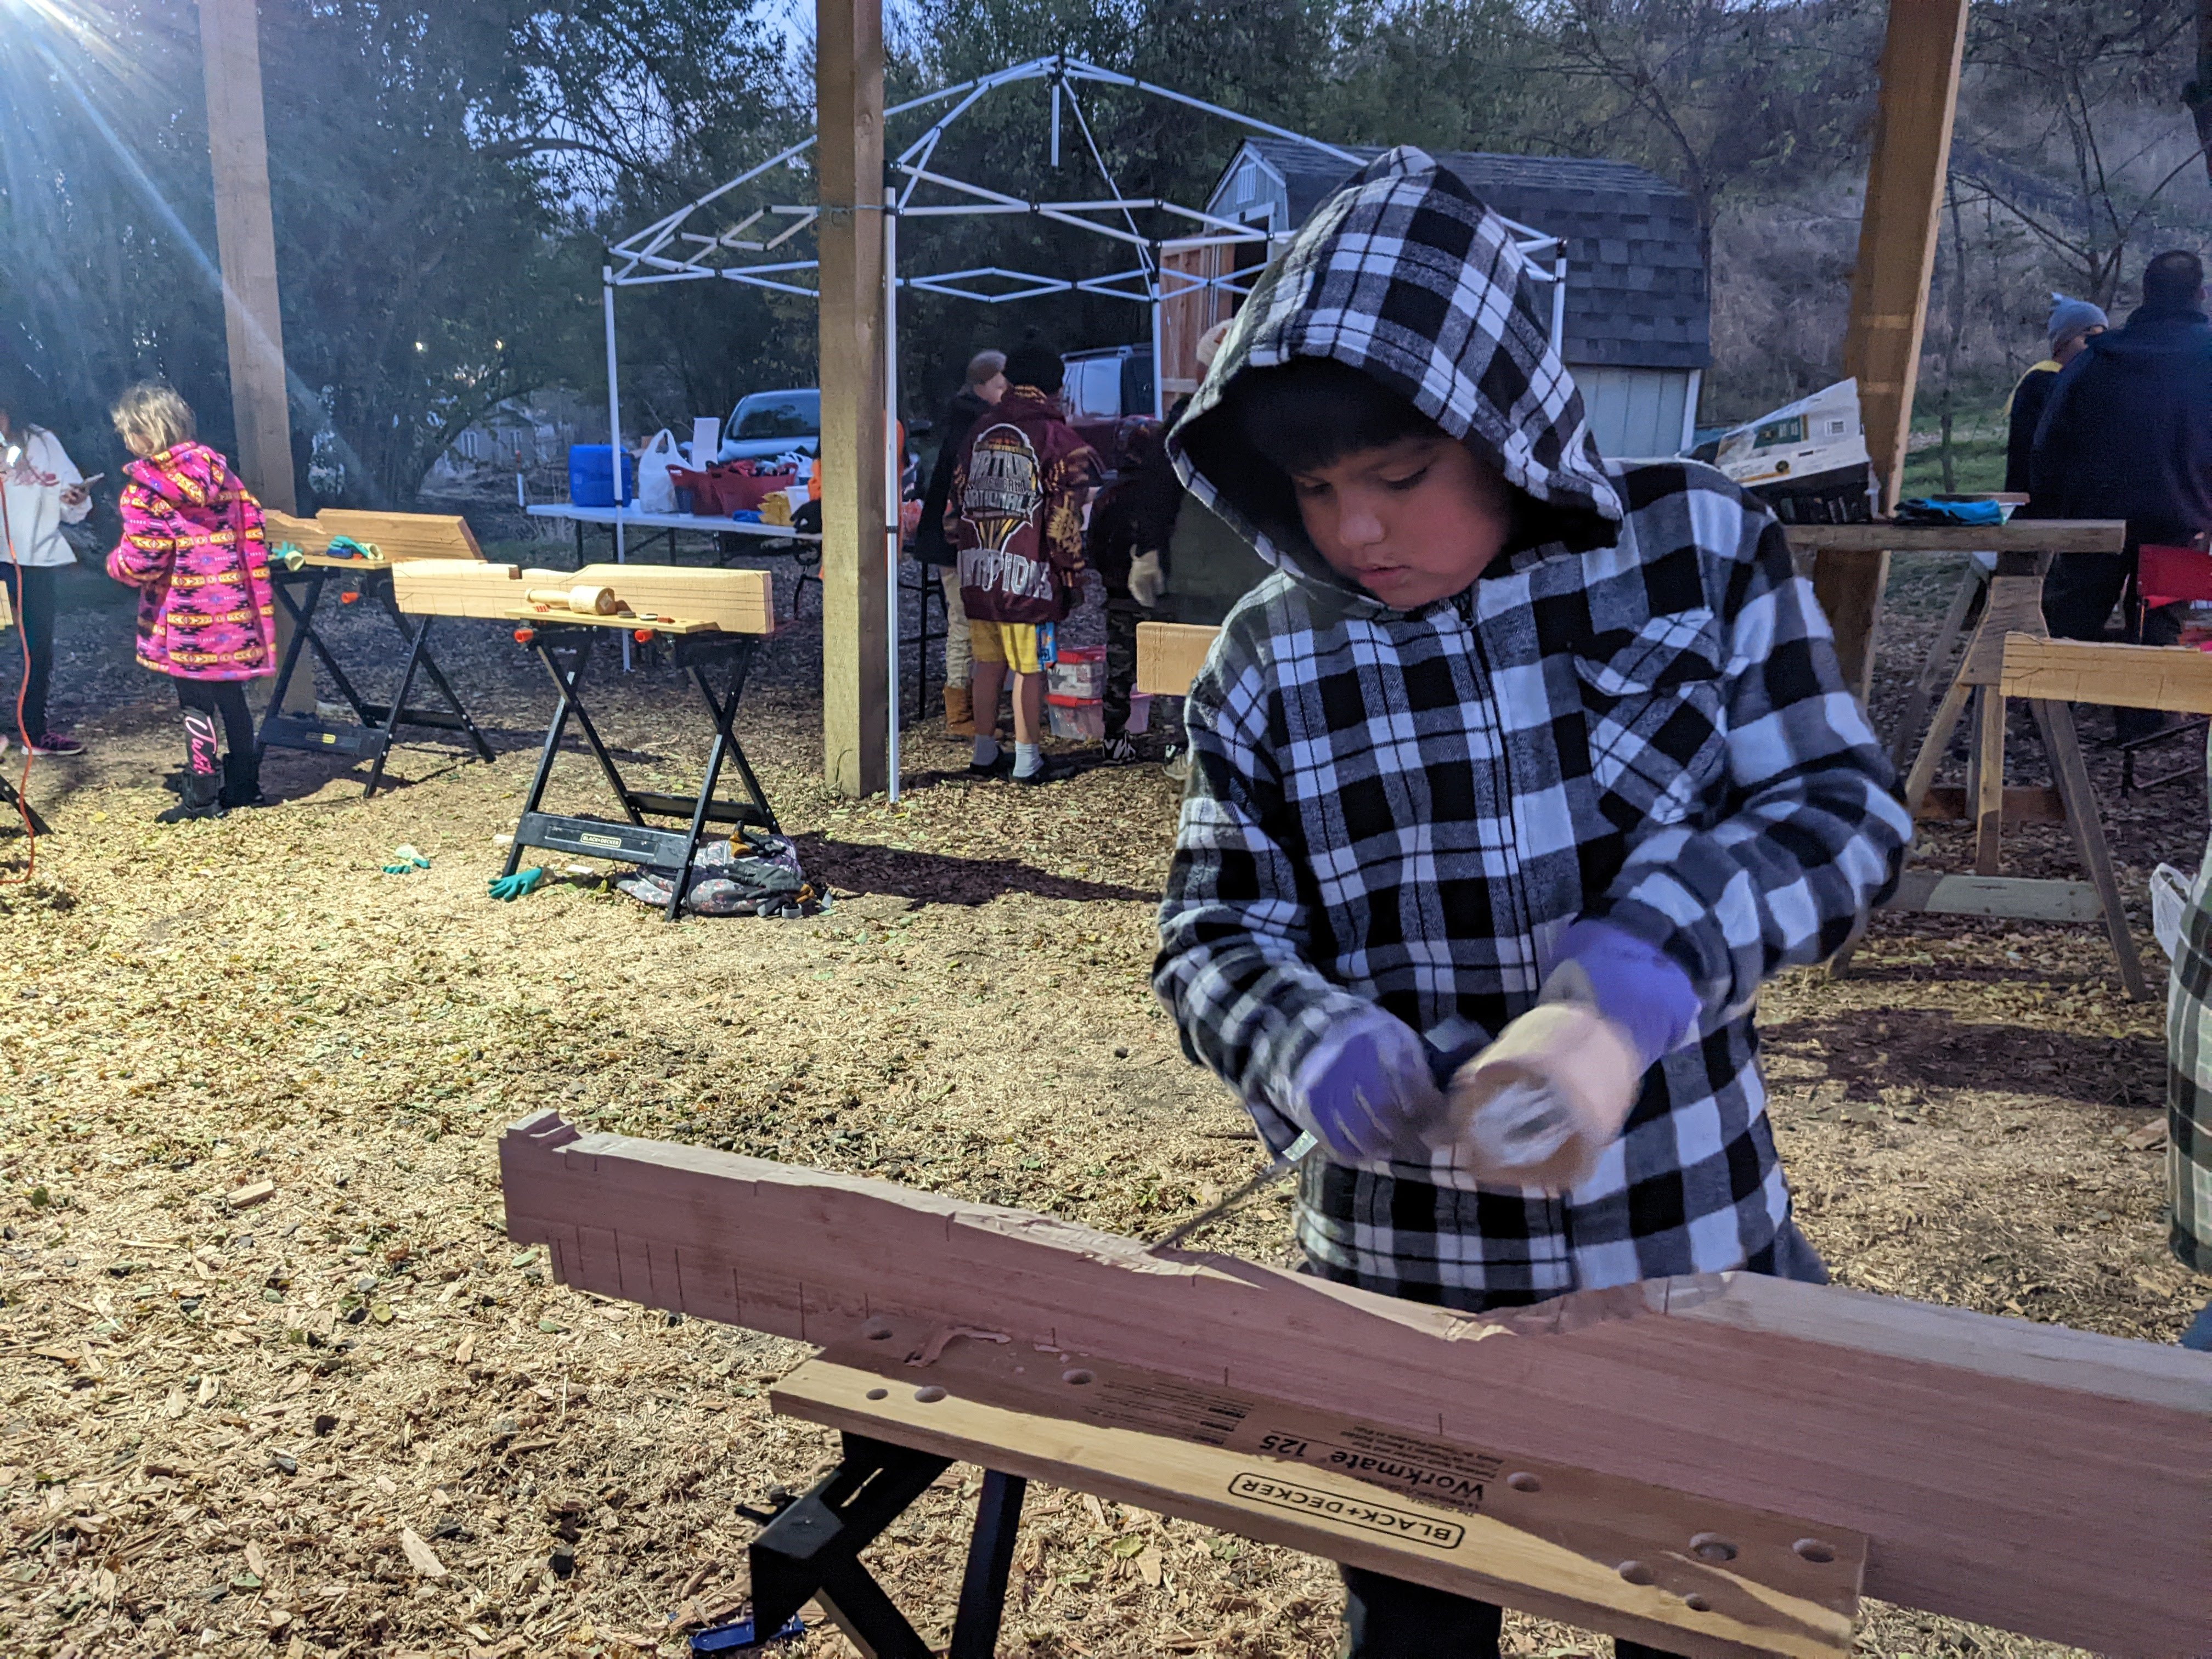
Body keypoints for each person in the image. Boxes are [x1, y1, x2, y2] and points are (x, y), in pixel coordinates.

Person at [1153, 149, 1910, 1659]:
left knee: (1704, 1615)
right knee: (1417, 1626)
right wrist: (1305, 1042)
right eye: (1312, 488)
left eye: (1398, 475)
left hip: (1682, 1243)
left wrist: (1638, 981)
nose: (1356, 532)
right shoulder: (1268, 658)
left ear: (1504, 427)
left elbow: (1842, 815)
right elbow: (1211, 933)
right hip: (1401, 1288)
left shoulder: (1686, 550)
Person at [2033, 250, 2212, 669]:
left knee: (2071, 630)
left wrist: (2052, 515)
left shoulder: (2096, 358)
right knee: (2159, 638)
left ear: (2145, 295)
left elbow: (2048, 442)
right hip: (2183, 522)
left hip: (2094, 522)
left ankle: (2052, 722)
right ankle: (2141, 732)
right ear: (2201, 294)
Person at [105, 382, 276, 821]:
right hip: (233, 607)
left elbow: (144, 558)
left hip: (184, 617)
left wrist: (114, 565)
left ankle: (201, 796)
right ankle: (244, 786)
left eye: (130, 433)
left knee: (194, 703)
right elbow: (253, 527)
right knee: (232, 696)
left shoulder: (144, 490)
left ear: (149, 433)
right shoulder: (224, 475)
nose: (127, 442)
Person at [950, 340, 1098, 786]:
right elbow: (1064, 521)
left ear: (1011, 380)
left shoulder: (977, 431)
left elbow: (956, 499)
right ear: (1056, 387)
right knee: (1030, 668)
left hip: (978, 570)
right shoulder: (1059, 440)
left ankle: (984, 751)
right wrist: (1071, 575)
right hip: (1029, 577)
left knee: (987, 662)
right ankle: (1028, 759)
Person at [913, 349, 1006, 736]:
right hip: (956, 540)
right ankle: (958, 712)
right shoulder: (976, 425)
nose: (1007, 392)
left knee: (967, 621)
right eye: (1001, 385)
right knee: (963, 620)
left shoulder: (962, 419)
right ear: (981, 386)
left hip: (952, 536)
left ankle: (968, 705)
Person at [0, 379, 94, 755]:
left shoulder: (41, 442)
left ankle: (33, 731)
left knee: (37, 648)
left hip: (35, 558)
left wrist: (75, 498)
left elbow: (72, 504)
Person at [1083, 420, 1180, 762]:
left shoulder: (1109, 495)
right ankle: (1175, 744)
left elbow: (1092, 545)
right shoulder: (1168, 492)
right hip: (1159, 595)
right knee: (1172, 670)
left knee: (1121, 669)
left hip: (1119, 596)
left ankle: (1113, 739)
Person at [2003, 294, 2106, 500]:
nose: (2096, 344)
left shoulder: (2070, 380)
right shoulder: (2043, 382)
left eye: (2103, 336)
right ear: (2062, 342)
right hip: (2039, 505)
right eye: (2088, 336)